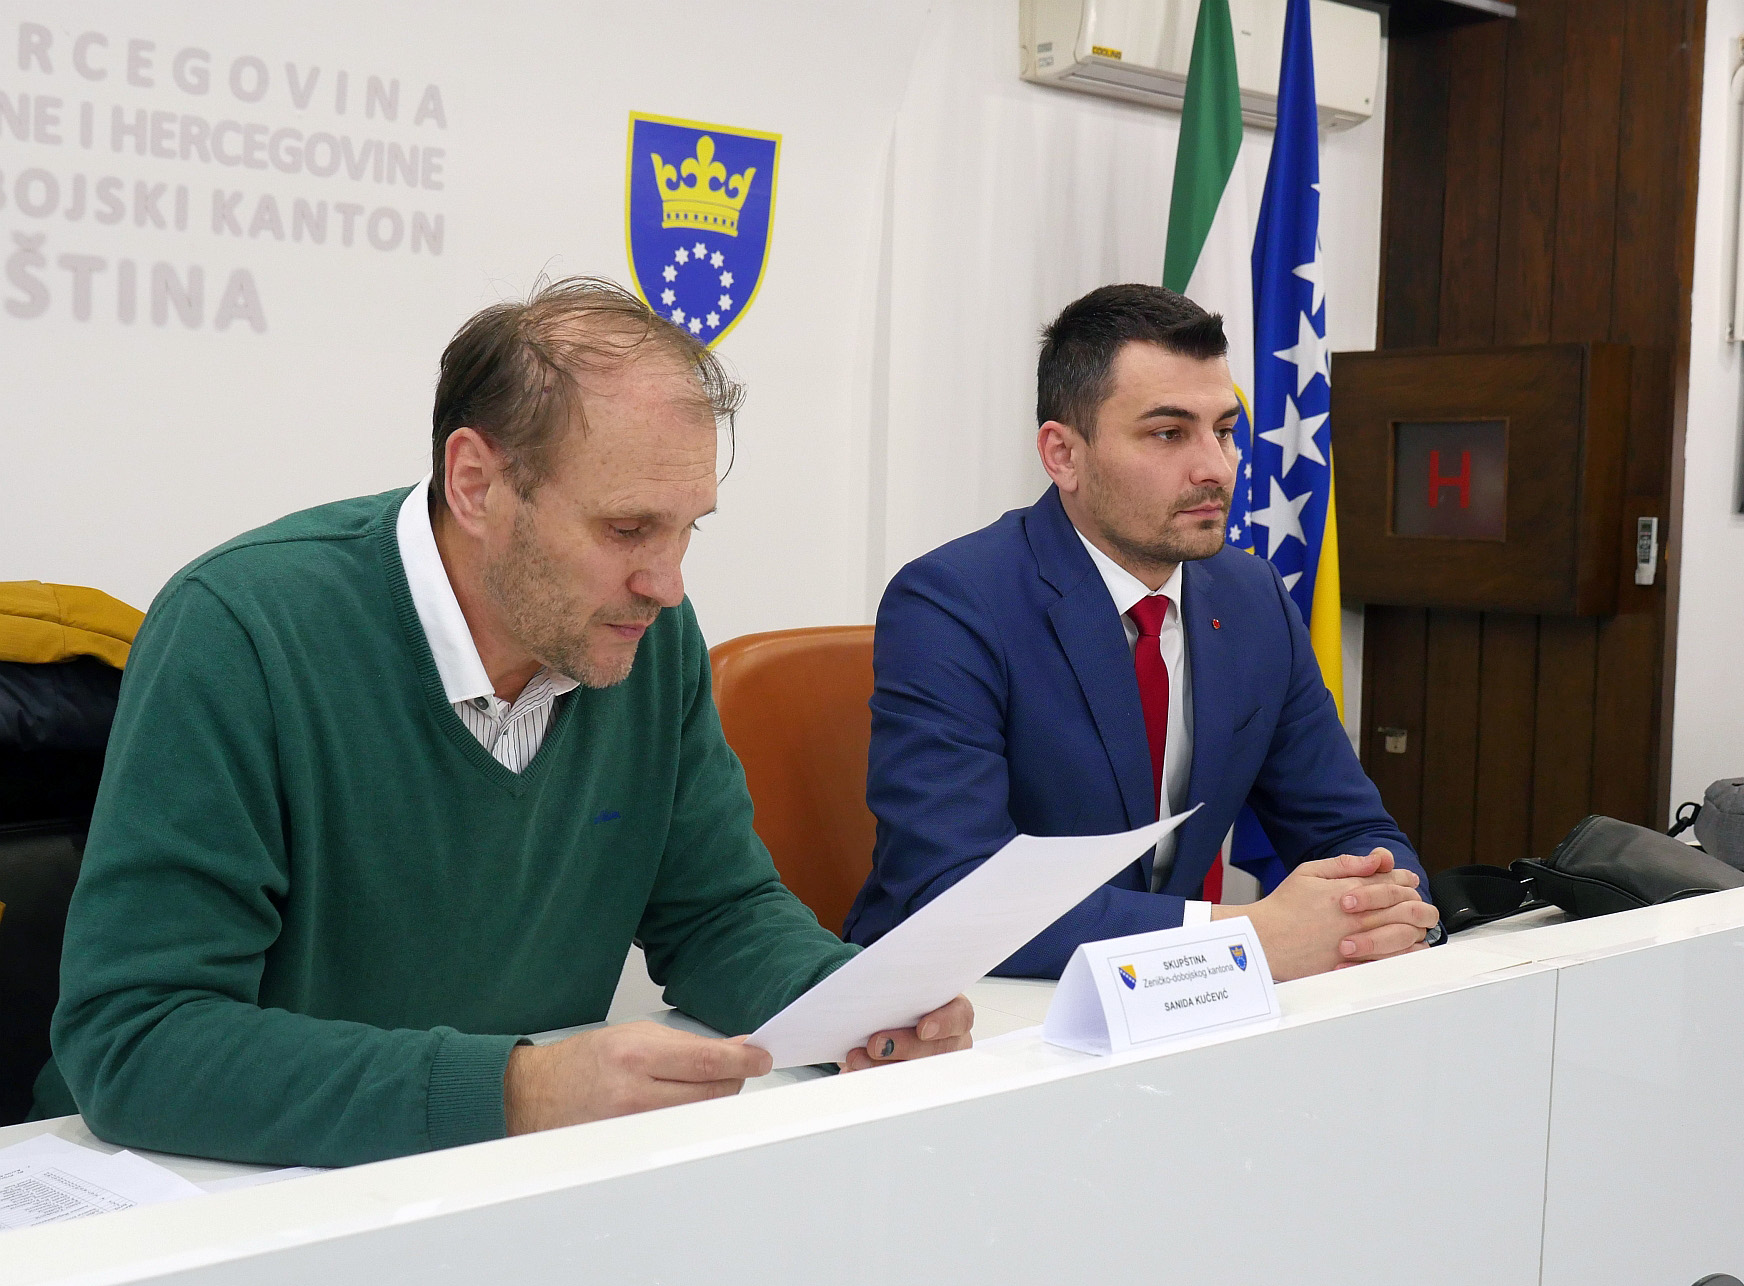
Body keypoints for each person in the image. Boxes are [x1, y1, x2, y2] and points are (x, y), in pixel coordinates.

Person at [37, 277, 971, 1167]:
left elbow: (717, 914)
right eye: (627, 529)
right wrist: (517, 1090)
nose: (667, 583)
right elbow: (136, 1042)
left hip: (498, 1185)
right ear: (476, 483)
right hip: (213, 1193)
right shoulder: (242, 631)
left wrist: (852, 1009)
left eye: (690, 527)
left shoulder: (642, 635)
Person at [845, 283, 1435, 980]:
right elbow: (956, 891)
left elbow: (1349, 829)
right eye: (1168, 434)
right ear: (1063, 455)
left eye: (1224, 430)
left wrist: (1385, 912)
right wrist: (1243, 937)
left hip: (1172, 1007)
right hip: (966, 1005)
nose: (1216, 467)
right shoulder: (952, 602)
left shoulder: (1252, 598)